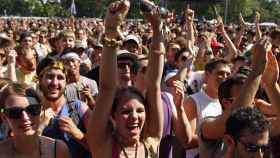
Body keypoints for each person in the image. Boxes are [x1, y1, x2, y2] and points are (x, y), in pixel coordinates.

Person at [87, 0, 164, 157]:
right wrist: (111, 30)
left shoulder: (151, 143)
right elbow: (107, 88)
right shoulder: (103, 146)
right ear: (113, 115)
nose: (134, 116)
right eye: (126, 111)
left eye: (140, 110)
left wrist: (157, 29)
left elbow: (154, 84)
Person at [36, 57, 92, 158]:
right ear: (40, 79)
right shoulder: (31, 113)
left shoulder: (80, 109)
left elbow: (101, 147)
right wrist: (39, 128)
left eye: (60, 78)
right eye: (50, 76)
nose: (54, 83)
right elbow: (22, 150)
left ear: (67, 82)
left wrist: (77, 133)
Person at [0, 82, 70, 158]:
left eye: (33, 109)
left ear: (41, 111)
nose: (25, 118)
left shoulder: (58, 149)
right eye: (15, 112)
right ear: (4, 117)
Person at [184, 58, 230, 157]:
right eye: (220, 73)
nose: (225, 77)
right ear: (207, 75)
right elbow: (188, 140)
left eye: (228, 74)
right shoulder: (192, 101)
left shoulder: (228, 103)